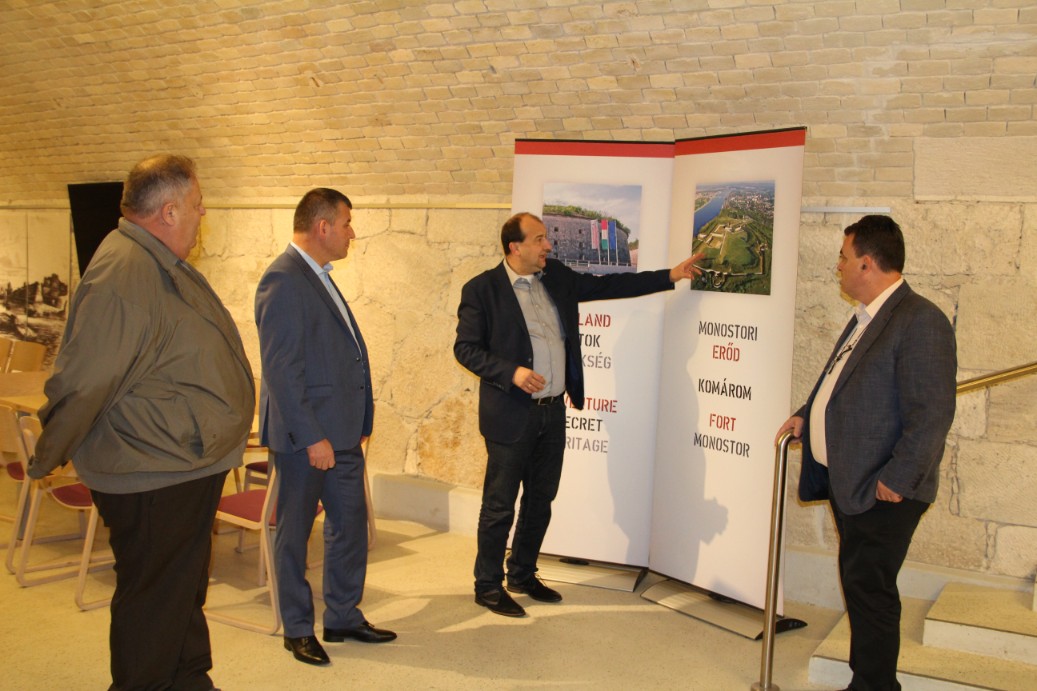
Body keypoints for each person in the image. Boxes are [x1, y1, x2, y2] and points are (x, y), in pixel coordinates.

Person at [28, 154, 255, 691]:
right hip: (152, 469)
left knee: (180, 589)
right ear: (169, 212)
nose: (203, 213)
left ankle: (189, 679)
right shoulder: (123, 273)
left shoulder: (152, 259)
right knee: (154, 599)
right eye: (197, 204)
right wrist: (47, 453)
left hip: (179, 462)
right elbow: (85, 380)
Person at [454, 211, 703, 617]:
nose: (548, 245)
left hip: (553, 411)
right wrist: (511, 372)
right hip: (510, 414)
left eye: (546, 238)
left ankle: (522, 573)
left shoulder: (556, 277)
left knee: (541, 500)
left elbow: (610, 285)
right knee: (500, 505)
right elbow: (466, 349)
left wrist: (670, 275)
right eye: (539, 239)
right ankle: (488, 586)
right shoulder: (482, 289)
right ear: (515, 247)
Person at [775, 215, 956, 691]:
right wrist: (806, 414)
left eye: (843, 257)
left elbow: (932, 413)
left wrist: (898, 478)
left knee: (871, 592)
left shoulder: (921, 320)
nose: (838, 266)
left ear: (867, 264)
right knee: (859, 584)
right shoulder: (868, 316)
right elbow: (842, 383)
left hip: (884, 488)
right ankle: (866, 680)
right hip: (854, 481)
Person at [255, 188, 395, 667]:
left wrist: (358, 420)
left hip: (342, 434)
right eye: (347, 223)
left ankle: (342, 616)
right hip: (306, 438)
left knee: (349, 526)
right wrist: (312, 436)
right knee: (294, 533)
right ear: (323, 227)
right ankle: (297, 628)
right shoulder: (283, 278)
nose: (352, 233)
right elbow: (281, 370)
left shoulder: (318, 275)